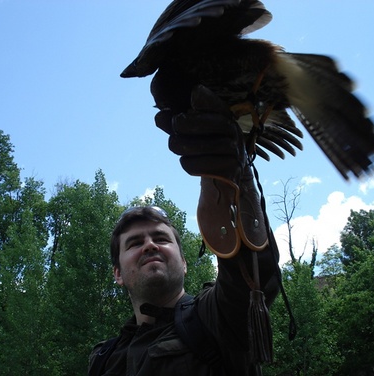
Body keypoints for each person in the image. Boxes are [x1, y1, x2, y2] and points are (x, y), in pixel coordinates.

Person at [88, 86, 281, 375]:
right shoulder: (104, 358)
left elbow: (254, 278)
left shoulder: (217, 317)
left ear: (185, 262)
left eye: (162, 238)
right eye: (134, 243)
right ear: (117, 273)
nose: (150, 245)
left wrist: (229, 178)